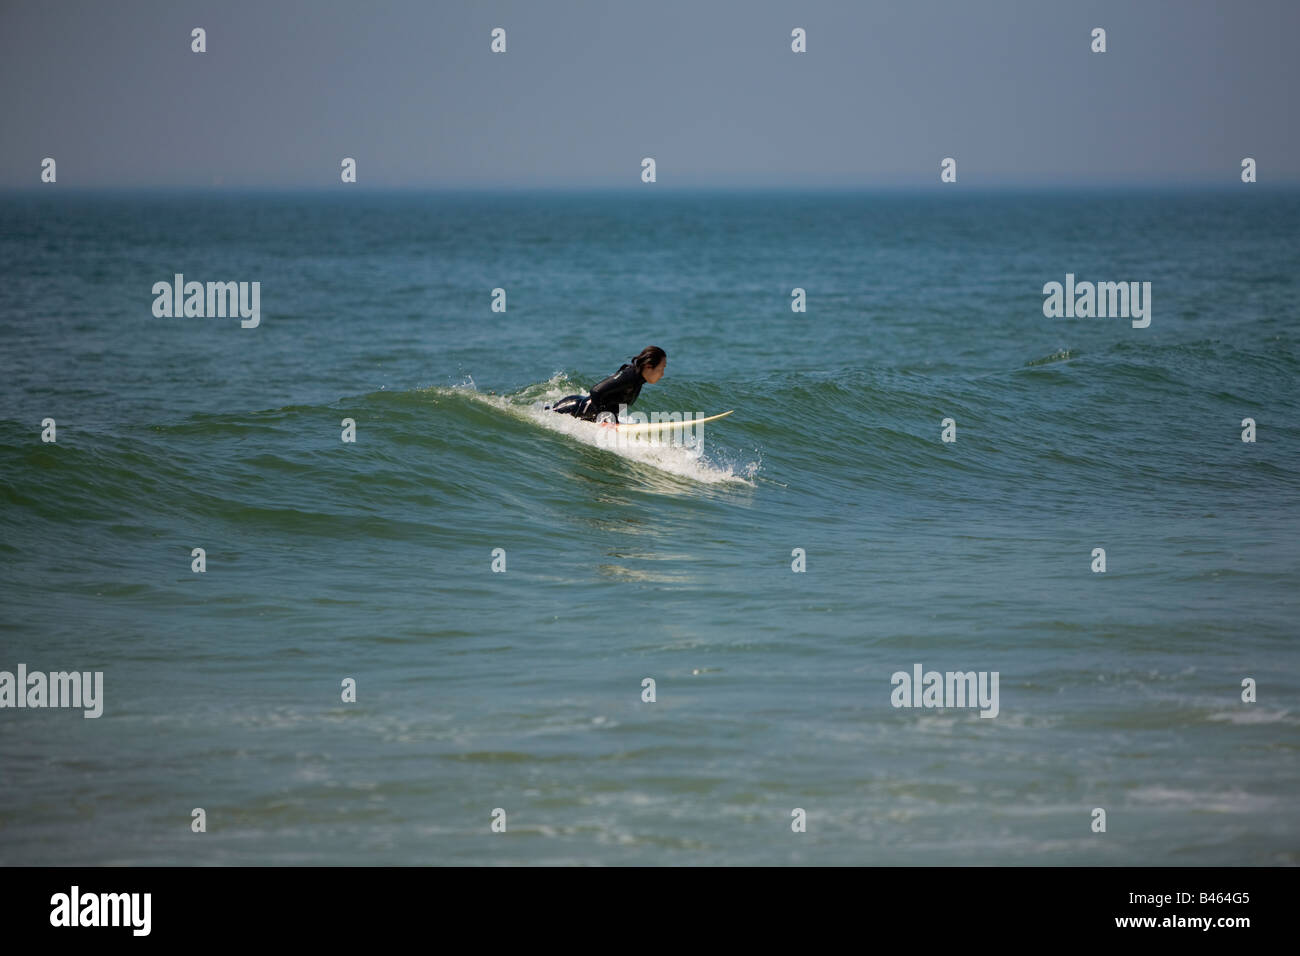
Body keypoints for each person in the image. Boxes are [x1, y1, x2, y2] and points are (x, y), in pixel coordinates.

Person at [548, 347, 666, 423]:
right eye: (661, 369)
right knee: (545, 413)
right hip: (572, 409)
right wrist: (603, 419)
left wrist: (615, 423)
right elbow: (595, 391)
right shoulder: (629, 376)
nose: (662, 374)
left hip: (584, 416)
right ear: (648, 367)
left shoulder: (638, 382)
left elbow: (617, 405)